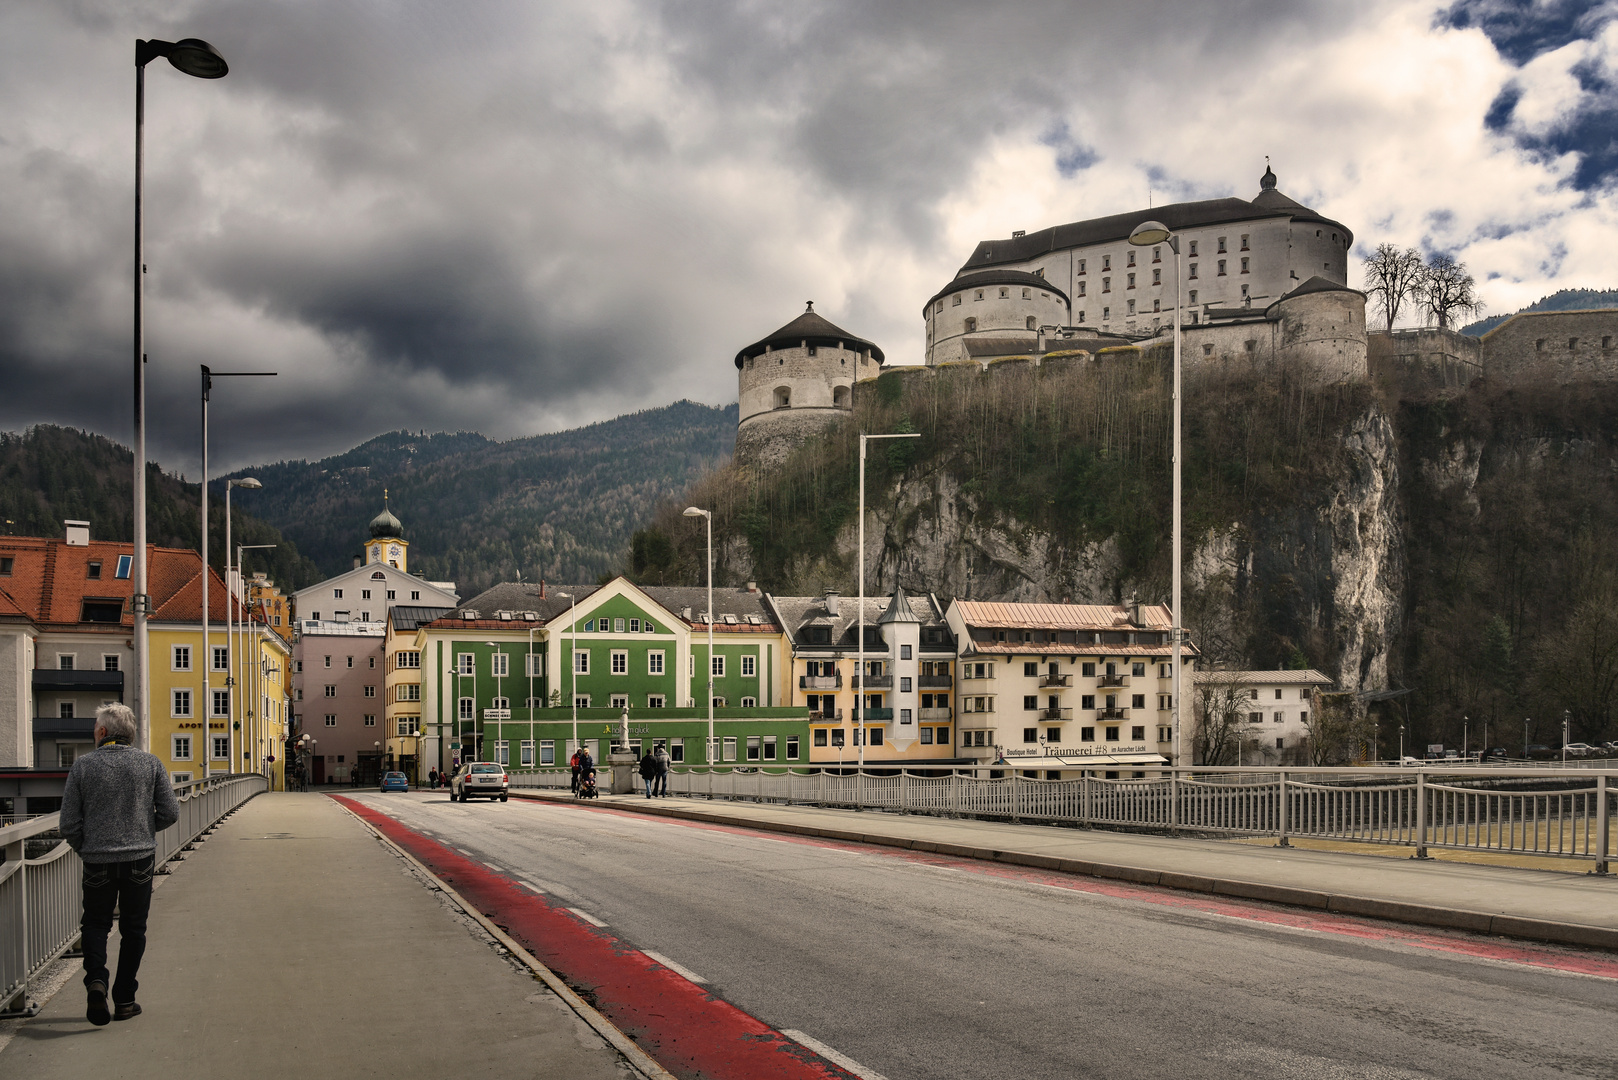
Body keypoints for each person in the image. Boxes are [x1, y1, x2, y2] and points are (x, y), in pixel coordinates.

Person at [60, 703, 179, 1026]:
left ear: (102, 732)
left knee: (96, 924)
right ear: (129, 734)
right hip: (139, 858)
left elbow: (69, 823)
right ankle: (125, 999)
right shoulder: (149, 764)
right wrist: (140, 830)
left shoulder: (83, 766)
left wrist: (87, 847)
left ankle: (96, 980)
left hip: (97, 858)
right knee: (133, 929)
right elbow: (169, 812)